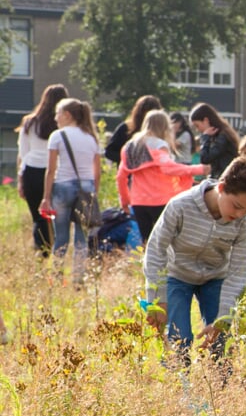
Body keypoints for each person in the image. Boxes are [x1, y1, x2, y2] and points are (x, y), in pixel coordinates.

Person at [141, 157, 246, 359]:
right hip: (177, 276)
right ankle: (178, 386)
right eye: (236, 205)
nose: (240, 214)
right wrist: (157, 299)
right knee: (179, 339)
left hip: (215, 278)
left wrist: (223, 318)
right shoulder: (180, 206)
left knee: (220, 342)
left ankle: (220, 386)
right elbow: (156, 249)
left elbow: (239, 272)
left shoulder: (244, 224)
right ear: (221, 187)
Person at [116, 110, 208, 244]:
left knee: (147, 242)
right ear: (164, 126)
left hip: (138, 201)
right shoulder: (159, 144)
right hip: (160, 199)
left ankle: (147, 265)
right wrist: (200, 169)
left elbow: (121, 176)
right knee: (166, 241)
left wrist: (125, 200)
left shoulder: (131, 146)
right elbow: (169, 168)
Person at [39, 98, 102, 281]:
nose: (55, 117)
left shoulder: (58, 136)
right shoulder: (91, 138)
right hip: (86, 187)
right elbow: (96, 173)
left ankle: (56, 275)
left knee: (61, 237)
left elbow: (51, 170)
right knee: (82, 238)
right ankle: (78, 278)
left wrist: (46, 197)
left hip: (63, 186)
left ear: (67, 115)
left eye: (58, 113)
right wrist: (93, 194)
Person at [16, 83, 68, 255]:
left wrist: (20, 180)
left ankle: (42, 252)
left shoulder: (29, 123)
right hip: (56, 172)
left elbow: (23, 154)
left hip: (31, 171)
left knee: (38, 217)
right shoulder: (63, 127)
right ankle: (59, 251)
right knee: (58, 217)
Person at [104, 95, 163, 165]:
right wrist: (128, 159)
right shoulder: (126, 128)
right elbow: (109, 152)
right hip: (129, 173)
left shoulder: (160, 131)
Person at [190, 103, 240, 180]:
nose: (197, 129)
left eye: (197, 125)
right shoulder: (221, 134)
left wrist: (205, 138)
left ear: (206, 120)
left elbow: (205, 159)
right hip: (223, 177)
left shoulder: (222, 137)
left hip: (225, 179)